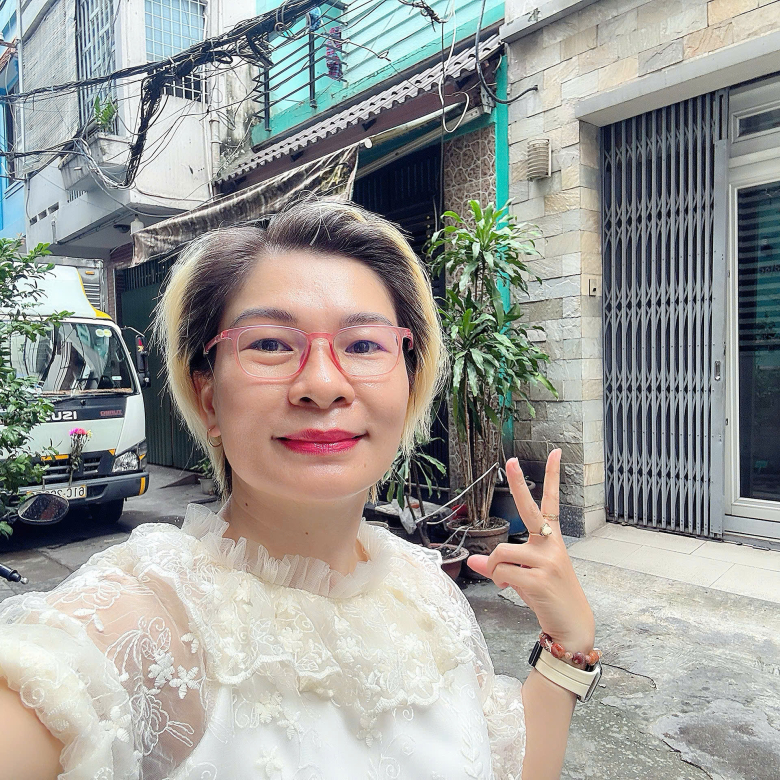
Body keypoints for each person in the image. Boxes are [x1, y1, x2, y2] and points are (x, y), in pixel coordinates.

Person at [0, 198, 596, 780]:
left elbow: (506, 763)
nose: (323, 384)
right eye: (270, 344)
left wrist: (568, 644)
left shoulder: (428, 594)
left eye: (363, 345)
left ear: (409, 386)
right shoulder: (146, 622)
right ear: (208, 398)